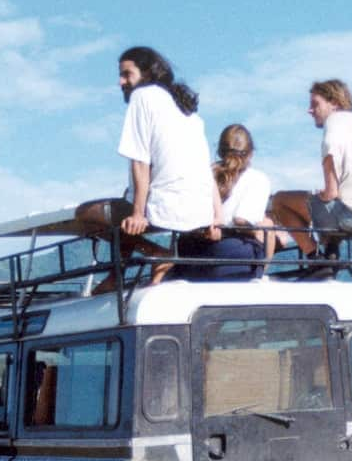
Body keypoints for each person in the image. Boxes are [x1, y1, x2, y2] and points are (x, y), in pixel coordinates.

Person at [92, 46, 220, 292]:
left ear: (147, 73)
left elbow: (140, 161)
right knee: (124, 207)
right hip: (199, 211)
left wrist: (138, 213)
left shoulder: (143, 97)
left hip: (166, 206)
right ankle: (116, 275)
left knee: (89, 215)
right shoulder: (188, 111)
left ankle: (156, 253)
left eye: (127, 74)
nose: (121, 82)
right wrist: (217, 217)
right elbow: (206, 169)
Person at [270, 79, 352, 259]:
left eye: (315, 104)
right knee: (327, 206)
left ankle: (314, 257)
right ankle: (331, 254)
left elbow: (331, 189)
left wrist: (325, 194)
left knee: (280, 201)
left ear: (334, 103)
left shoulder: (335, 120)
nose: (310, 110)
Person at [205, 124, 278, 275]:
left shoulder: (206, 173)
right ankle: (260, 274)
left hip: (194, 249)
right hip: (228, 252)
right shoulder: (258, 179)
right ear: (250, 153)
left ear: (219, 151)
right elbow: (240, 220)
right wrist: (256, 231)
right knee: (268, 225)